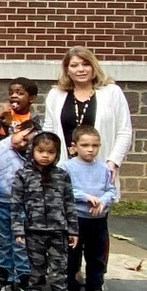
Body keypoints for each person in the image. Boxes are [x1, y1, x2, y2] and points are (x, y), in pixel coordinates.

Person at [11, 132, 79, 291]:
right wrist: (18, 229)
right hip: (33, 230)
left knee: (58, 272)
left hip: (58, 231)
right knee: (36, 270)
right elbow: (16, 204)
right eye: (41, 151)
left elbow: (70, 204)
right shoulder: (23, 175)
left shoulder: (62, 175)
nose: (45, 155)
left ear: (57, 154)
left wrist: (73, 230)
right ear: (32, 150)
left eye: (50, 152)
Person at [43, 46, 132, 190]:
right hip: (64, 168)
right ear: (67, 70)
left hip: (100, 168)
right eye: (74, 65)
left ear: (94, 67)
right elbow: (49, 132)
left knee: (96, 203)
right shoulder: (56, 94)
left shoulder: (112, 92)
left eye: (86, 64)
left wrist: (113, 162)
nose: (81, 69)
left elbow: (124, 131)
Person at [62, 125, 117, 291]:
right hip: (75, 219)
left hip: (98, 220)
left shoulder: (104, 168)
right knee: (72, 255)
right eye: (85, 145)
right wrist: (86, 197)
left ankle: (94, 289)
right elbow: (64, 189)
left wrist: (102, 201)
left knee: (96, 256)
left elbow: (111, 191)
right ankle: (71, 288)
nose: (90, 149)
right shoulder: (66, 167)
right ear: (74, 146)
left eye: (95, 145)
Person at [0, 123, 36, 291]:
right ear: (16, 130)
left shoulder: (32, 153)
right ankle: (4, 275)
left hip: (22, 203)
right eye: (23, 138)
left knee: (21, 242)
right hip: (0, 201)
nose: (23, 143)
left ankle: (23, 278)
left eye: (28, 142)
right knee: (4, 240)